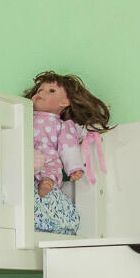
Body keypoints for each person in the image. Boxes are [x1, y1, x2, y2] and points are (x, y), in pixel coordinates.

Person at [26, 70, 112, 199]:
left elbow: (68, 147)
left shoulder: (63, 125)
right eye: (40, 90)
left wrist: (74, 167)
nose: (42, 92)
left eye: (51, 91)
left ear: (65, 102)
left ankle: (47, 184)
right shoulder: (23, 116)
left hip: (48, 158)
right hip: (26, 154)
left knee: (51, 171)